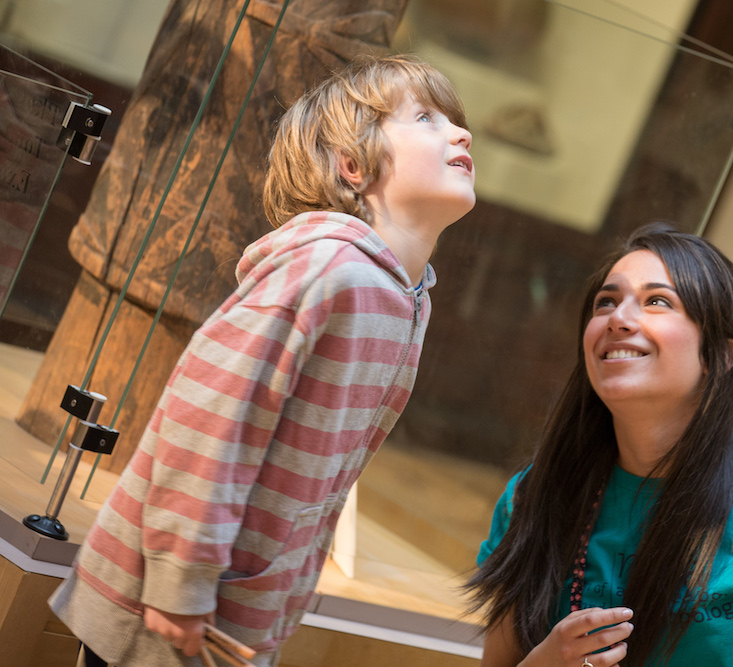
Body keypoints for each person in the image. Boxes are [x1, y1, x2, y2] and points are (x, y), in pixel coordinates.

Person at [50, 53, 476, 666]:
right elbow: (209, 416)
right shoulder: (326, 269)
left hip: (236, 616)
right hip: (165, 611)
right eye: (427, 118)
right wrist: (181, 581)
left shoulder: (407, 298)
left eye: (456, 121)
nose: (461, 132)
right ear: (352, 165)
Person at [467, 223, 733, 666]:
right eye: (606, 301)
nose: (618, 319)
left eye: (657, 301)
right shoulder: (533, 495)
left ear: (719, 356)